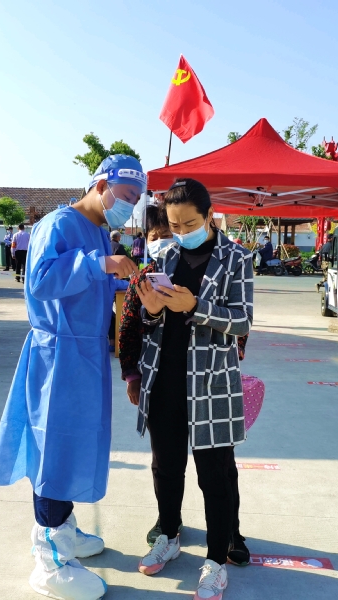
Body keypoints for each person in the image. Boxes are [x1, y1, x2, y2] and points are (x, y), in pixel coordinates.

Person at [0, 155, 145, 600]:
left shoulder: (97, 230)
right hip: (57, 356)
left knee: (75, 446)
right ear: (101, 185)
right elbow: (40, 281)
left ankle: (65, 529)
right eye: (126, 196)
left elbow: (91, 284)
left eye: (136, 200)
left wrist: (131, 281)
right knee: (53, 452)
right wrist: (100, 265)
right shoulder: (58, 224)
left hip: (86, 354)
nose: (129, 207)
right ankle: (50, 559)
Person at [131, 179, 253, 600]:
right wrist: (151, 312)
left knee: (214, 475)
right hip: (164, 378)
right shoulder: (163, 255)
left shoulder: (237, 258)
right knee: (165, 467)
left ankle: (216, 560)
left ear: (209, 215)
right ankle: (168, 535)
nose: (181, 232)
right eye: (174, 225)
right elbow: (147, 322)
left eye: (189, 224)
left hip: (211, 384)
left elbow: (242, 321)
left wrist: (196, 307)